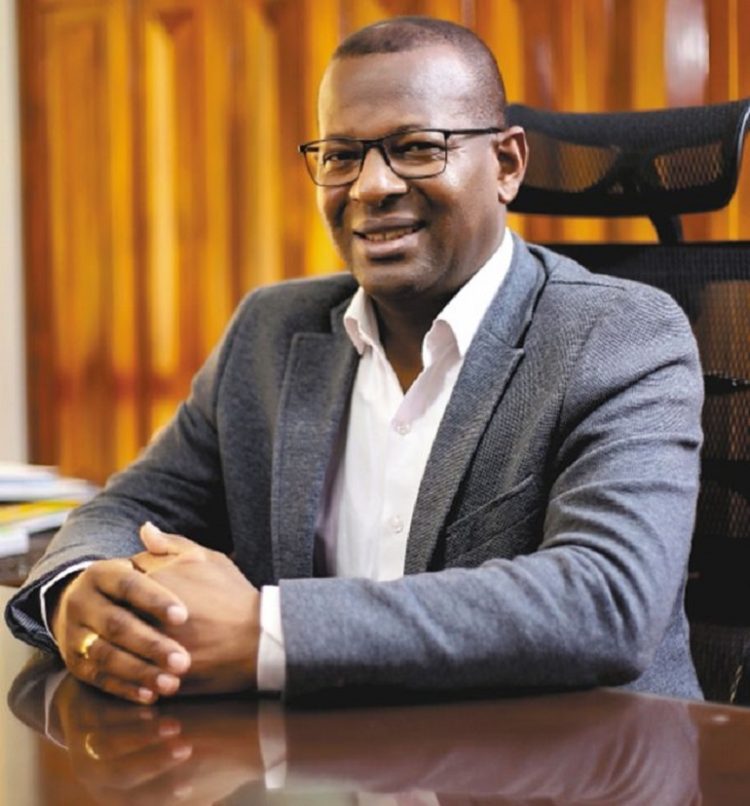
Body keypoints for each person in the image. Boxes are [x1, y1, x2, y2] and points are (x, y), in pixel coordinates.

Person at [5, 16, 704, 705]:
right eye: (341, 156)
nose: (371, 186)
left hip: (571, 756)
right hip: (324, 756)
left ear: (506, 164)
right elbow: (133, 506)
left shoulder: (619, 335)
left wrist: (266, 631)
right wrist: (76, 589)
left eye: (417, 147)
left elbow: (608, 597)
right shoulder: (270, 332)